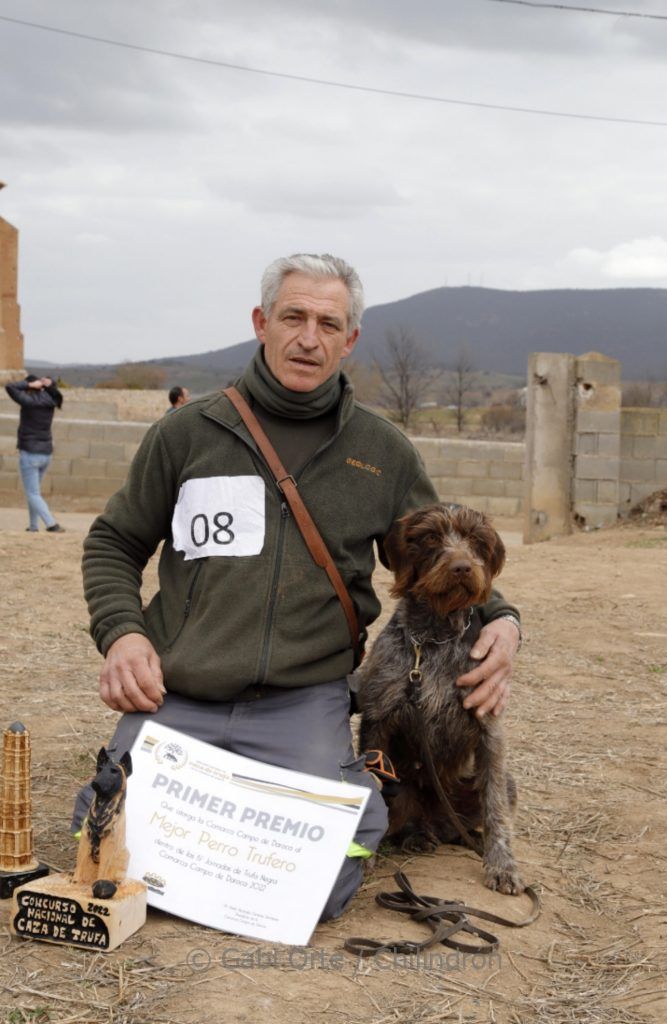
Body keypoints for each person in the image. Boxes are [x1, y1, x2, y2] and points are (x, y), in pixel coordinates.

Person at [76, 253, 521, 920]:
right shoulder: (185, 432)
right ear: (261, 322)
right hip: (180, 692)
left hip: (300, 706)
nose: (308, 338)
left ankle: (220, 875)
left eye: (327, 323)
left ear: (350, 339)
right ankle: (222, 874)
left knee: (347, 852)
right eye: (292, 317)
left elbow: (444, 554)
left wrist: (505, 620)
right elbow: (113, 542)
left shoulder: (385, 451)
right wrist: (124, 634)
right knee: (98, 839)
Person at [5, 374, 65, 533]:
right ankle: (33, 526)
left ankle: (51, 524)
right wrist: (48, 384)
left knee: (32, 493)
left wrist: (28, 385)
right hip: (46, 453)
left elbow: (10, 387)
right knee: (34, 493)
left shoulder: (29, 401)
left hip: (30, 452)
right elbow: (55, 392)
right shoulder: (51, 401)